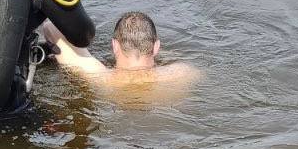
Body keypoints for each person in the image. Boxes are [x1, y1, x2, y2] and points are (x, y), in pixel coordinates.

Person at [41, 10, 198, 91]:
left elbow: (50, 27)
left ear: (115, 46)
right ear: (156, 47)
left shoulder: (99, 77)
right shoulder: (183, 73)